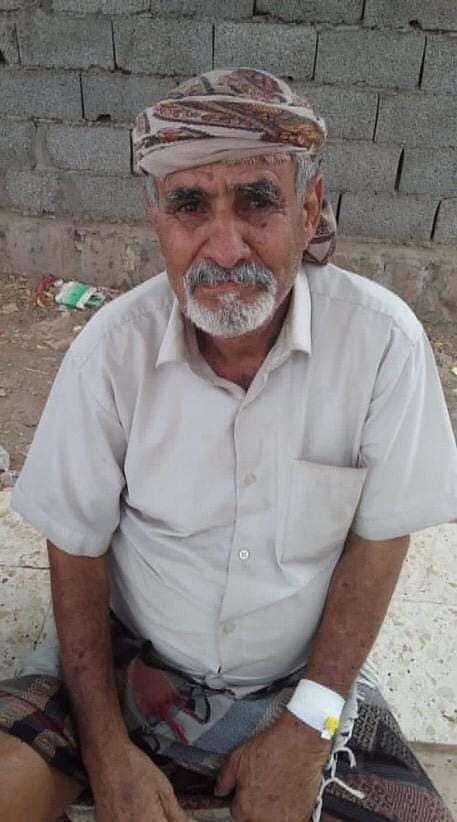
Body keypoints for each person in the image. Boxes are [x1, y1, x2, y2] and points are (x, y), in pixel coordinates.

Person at [1, 68, 456, 822]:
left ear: (308, 209)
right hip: (126, 662)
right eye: (190, 205)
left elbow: (379, 541)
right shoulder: (111, 352)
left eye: (256, 201)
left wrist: (307, 728)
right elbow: (74, 548)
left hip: (295, 682)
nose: (223, 245)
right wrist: (105, 748)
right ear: (157, 220)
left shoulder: (382, 344)